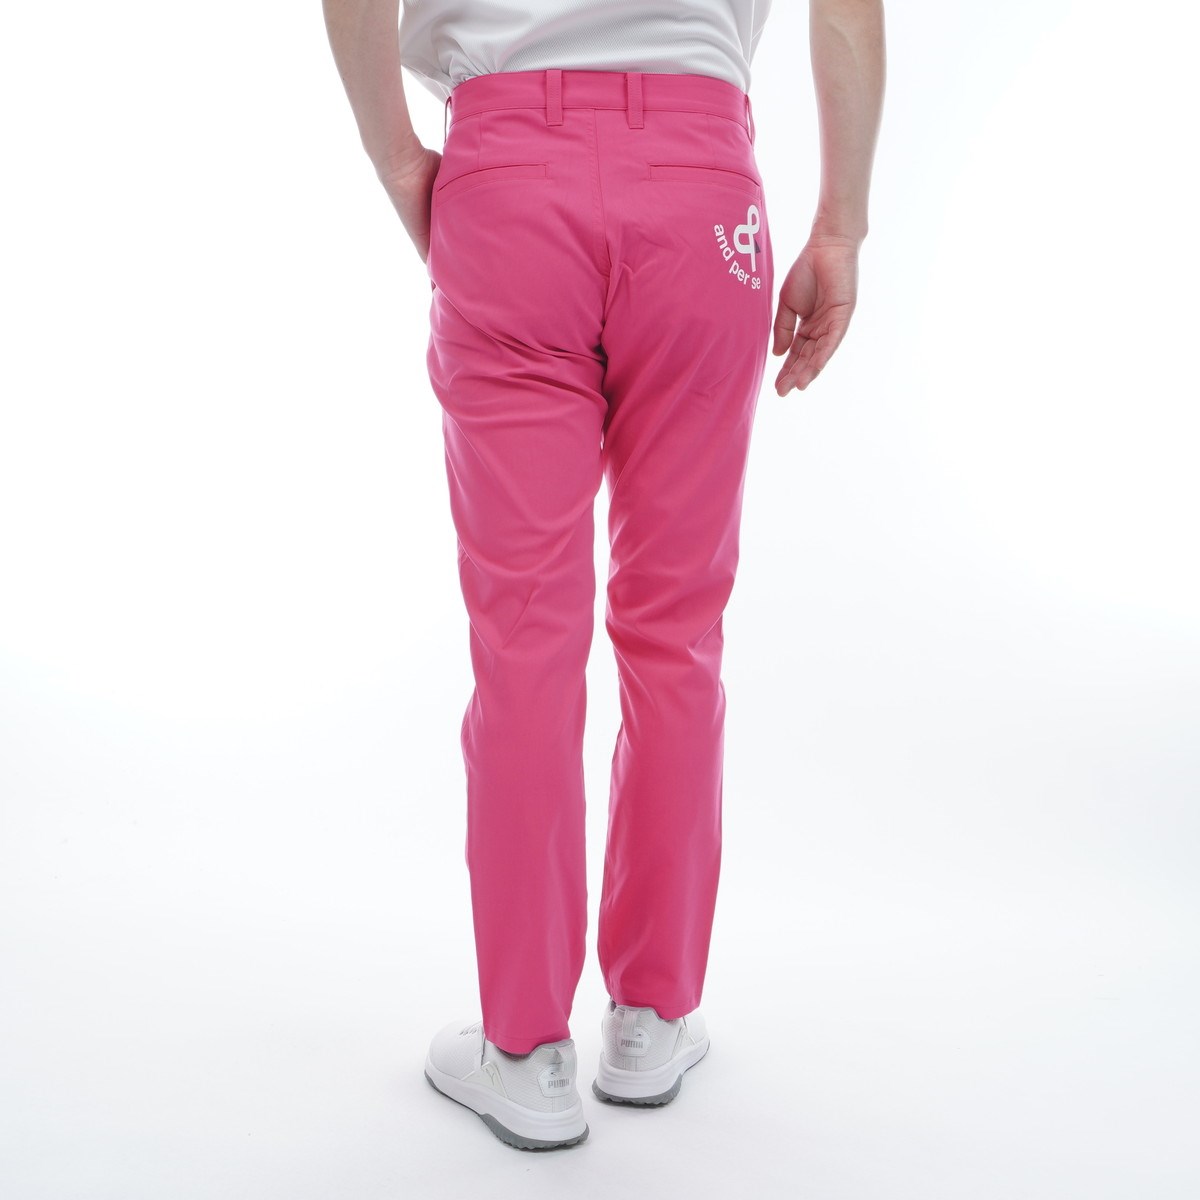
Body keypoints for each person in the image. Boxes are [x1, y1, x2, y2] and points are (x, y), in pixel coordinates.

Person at [322, 0, 885, 1151]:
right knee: (677, 631)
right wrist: (841, 227)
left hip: (507, 180)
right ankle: (651, 1018)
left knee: (524, 638)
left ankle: (525, 1050)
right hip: (700, 188)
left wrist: (399, 160)